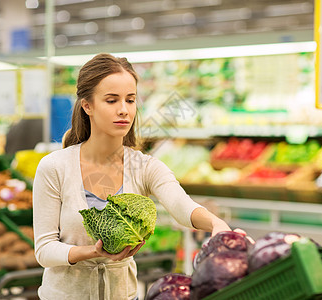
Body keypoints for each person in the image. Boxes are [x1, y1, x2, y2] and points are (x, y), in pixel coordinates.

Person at [32, 53, 242, 300]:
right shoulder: (54, 167)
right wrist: (91, 252)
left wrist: (216, 224)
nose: (123, 110)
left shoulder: (144, 166)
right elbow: (44, 250)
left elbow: (181, 205)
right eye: (111, 100)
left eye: (130, 100)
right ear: (87, 105)